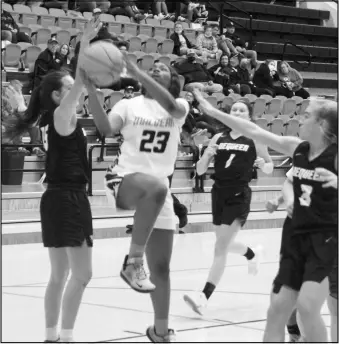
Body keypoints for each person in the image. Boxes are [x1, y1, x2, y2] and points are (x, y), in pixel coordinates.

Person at [193, 90, 337, 343]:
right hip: (295, 238)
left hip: (326, 240)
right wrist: (213, 112)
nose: (299, 120)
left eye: (306, 116)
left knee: (310, 306)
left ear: (321, 125)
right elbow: (256, 132)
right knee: (277, 307)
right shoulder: (298, 148)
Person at [3, 19, 102, 343]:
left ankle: (51, 337)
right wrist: (83, 44)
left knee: (59, 276)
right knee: (82, 274)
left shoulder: (54, 118)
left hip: (57, 199)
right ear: (60, 95)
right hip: (67, 199)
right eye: (70, 88)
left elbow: (80, 84)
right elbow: (83, 81)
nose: (77, 90)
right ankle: (67, 337)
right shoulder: (60, 116)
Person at [82, 60, 189, 342]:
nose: (155, 68)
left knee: (162, 268)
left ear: (173, 79)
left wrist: (139, 71)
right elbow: (105, 129)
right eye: (151, 66)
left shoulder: (179, 106)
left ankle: (161, 332)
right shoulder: (128, 105)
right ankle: (133, 262)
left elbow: (175, 108)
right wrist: (92, 92)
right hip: (123, 179)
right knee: (155, 187)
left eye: (161, 67)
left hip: (159, 191)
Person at [183, 99, 273, 315]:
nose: (238, 112)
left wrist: (264, 165)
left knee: (220, 248)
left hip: (239, 194)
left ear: (249, 116)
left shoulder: (255, 137)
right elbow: (201, 170)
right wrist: (206, 154)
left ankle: (203, 297)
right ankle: (252, 254)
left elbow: (269, 166)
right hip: (218, 193)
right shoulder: (218, 137)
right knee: (223, 242)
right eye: (234, 109)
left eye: (242, 110)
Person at [267, 166, 338, 343]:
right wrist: (284, 199)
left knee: (334, 303)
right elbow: (292, 182)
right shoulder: (308, 153)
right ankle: (296, 334)